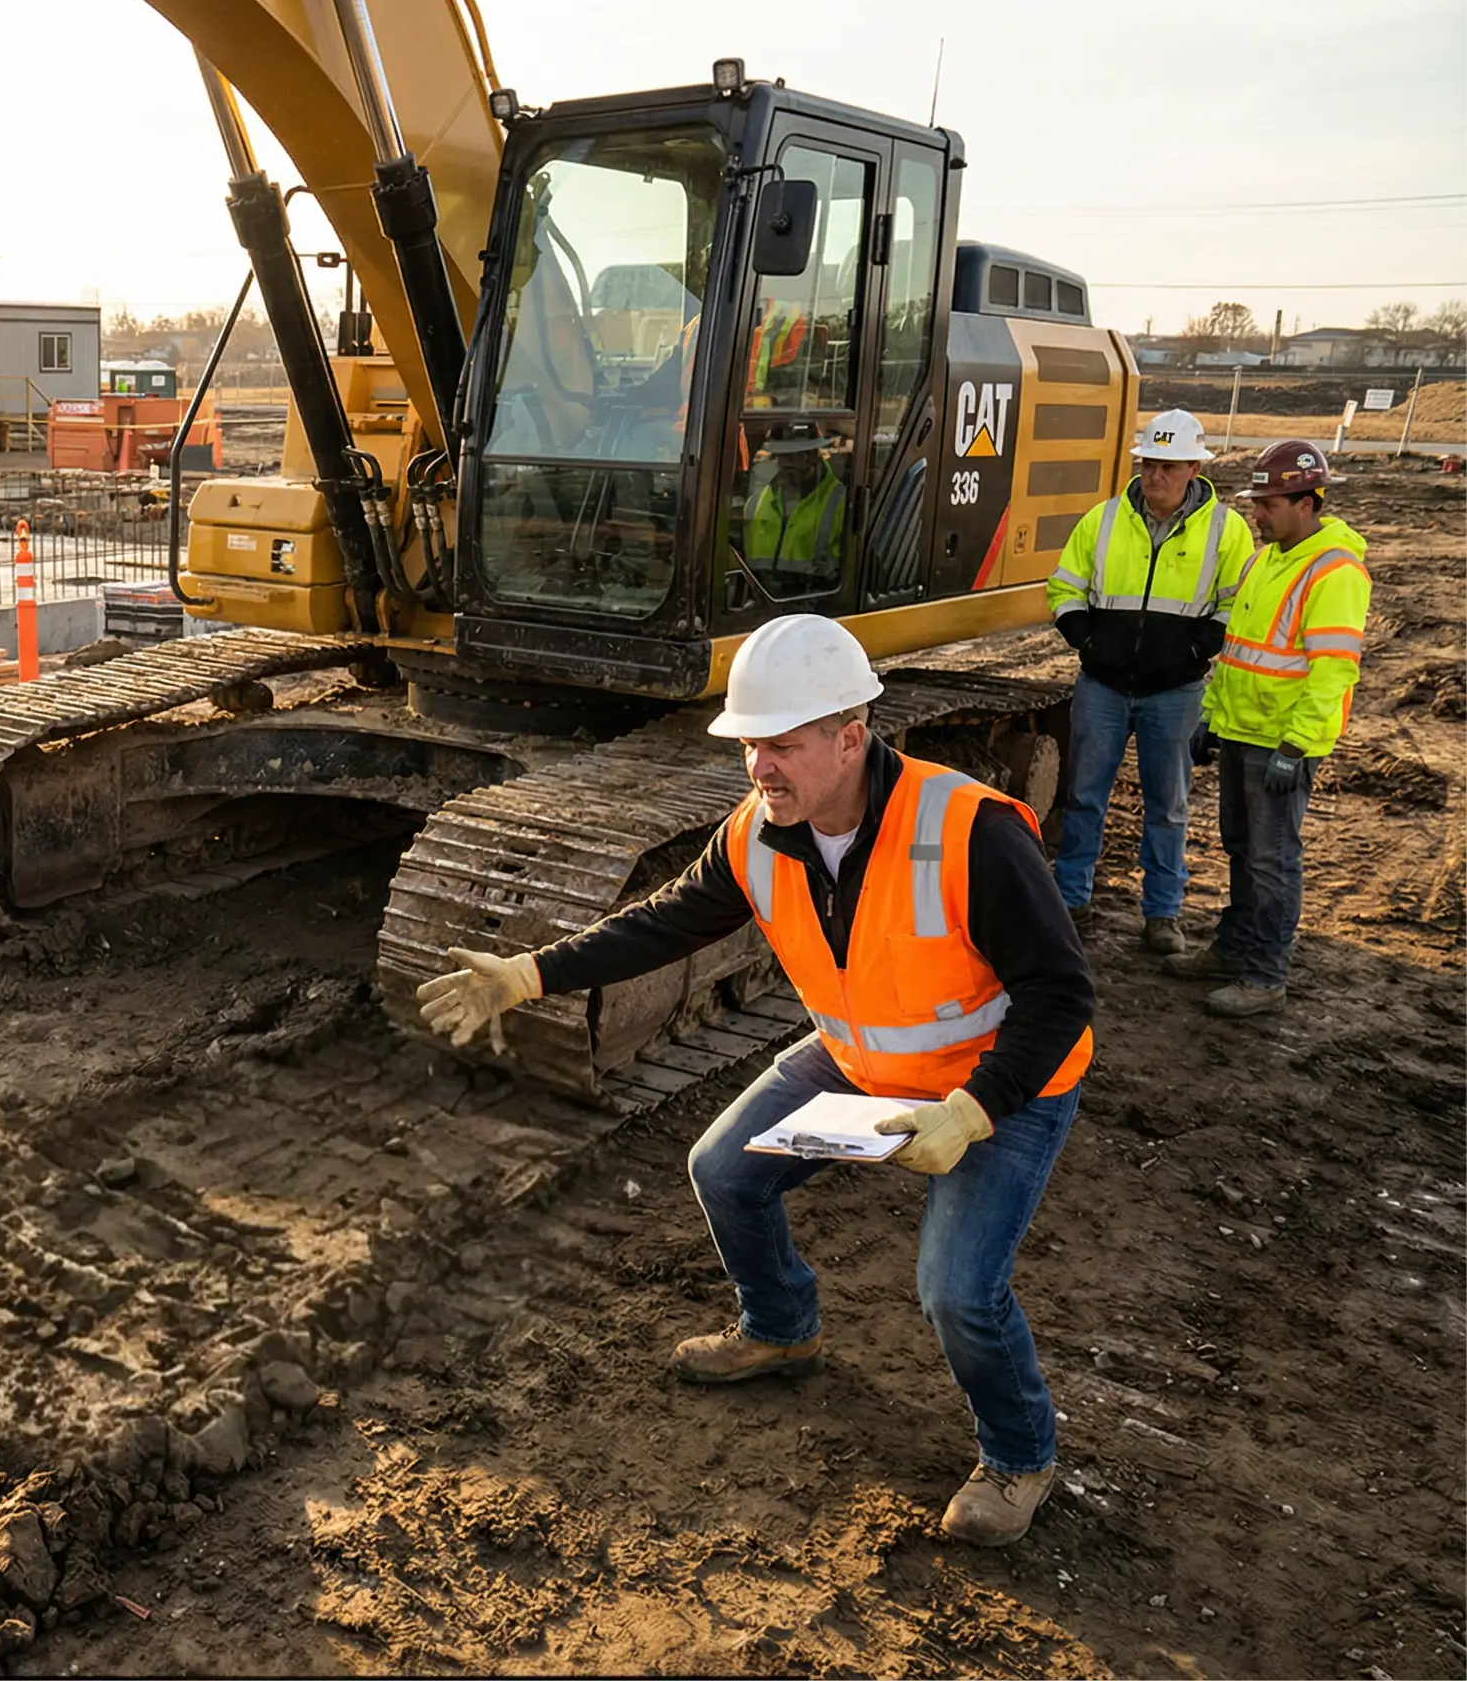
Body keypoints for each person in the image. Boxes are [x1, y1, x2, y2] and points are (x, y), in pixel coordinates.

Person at [415, 614, 1095, 1547]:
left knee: (956, 1290)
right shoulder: (759, 834)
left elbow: (1062, 996)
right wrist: (529, 974)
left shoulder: (970, 830)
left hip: (997, 1086)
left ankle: (1021, 1457)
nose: (759, 768)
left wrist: (973, 1113)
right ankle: (781, 1329)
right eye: (748, 747)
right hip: (861, 1064)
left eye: (780, 745)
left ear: (851, 737)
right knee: (724, 1169)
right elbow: (667, 921)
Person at [1164, 438, 1370, 1017]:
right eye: (1257, 502)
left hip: (1281, 740)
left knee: (1273, 860)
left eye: (1269, 504)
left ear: (1307, 501)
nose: (1257, 514)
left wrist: (1296, 745)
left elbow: (1332, 671)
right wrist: (1211, 717)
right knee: (1240, 848)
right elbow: (1237, 653)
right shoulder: (1265, 560)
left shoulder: (1335, 571)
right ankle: (1235, 948)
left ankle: (1265, 975)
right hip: (1241, 731)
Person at [1044, 408, 1256, 952]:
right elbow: (1065, 587)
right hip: (1103, 686)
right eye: (1147, 464)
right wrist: (1087, 642)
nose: (1154, 475)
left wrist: (1193, 650)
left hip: (1175, 692)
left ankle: (1163, 914)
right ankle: (1072, 898)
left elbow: (1238, 604)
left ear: (1193, 469)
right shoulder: (1105, 519)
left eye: (1167, 465)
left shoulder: (1227, 529)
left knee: (1168, 805)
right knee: (1085, 796)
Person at [745, 424, 847, 593]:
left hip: (815, 602)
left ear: (814, 455)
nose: (786, 464)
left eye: (796, 456)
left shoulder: (838, 499)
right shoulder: (758, 499)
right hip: (760, 599)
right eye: (782, 456)